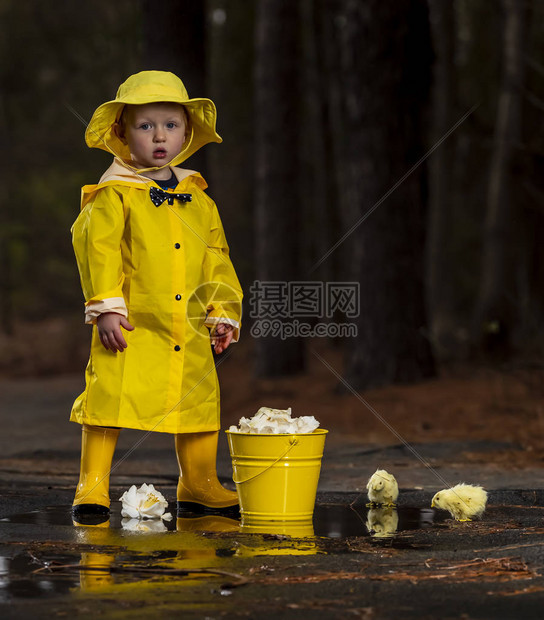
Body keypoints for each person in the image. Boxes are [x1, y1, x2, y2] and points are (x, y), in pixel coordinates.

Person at [70, 71, 243, 520]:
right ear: (122, 133)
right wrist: (106, 306)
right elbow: (98, 247)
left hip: (186, 322)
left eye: (171, 124)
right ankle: (92, 485)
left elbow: (216, 256)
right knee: (109, 394)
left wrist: (222, 310)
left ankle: (200, 482)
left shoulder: (198, 198)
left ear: (187, 134)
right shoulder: (116, 194)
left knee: (199, 399)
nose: (159, 135)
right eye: (146, 126)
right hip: (130, 320)